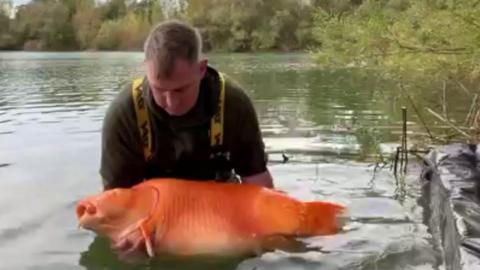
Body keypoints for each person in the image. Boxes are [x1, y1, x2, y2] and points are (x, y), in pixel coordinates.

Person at [98, 20, 274, 261]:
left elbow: (258, 181)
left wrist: (259, 235)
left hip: (220, 208)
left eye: (180, 90)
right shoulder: (125, 113)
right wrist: (127, 237)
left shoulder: (233, 102)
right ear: (146, 69)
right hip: (156, 215)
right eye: (159, 89)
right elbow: (118, 198)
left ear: (201, 69)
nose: (170, 103)